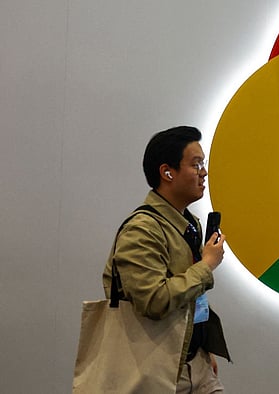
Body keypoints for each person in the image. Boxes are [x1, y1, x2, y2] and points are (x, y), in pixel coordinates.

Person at [103, 126, 231, 393]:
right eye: (196, 164)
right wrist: (207, 265)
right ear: (167, 172)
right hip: (158, 370)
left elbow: (193, 297)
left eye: (203, 164)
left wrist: (203, 349)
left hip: (195, 363)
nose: (204, 173)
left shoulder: (189, 224)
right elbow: (154, 301)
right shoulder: (142, 229)